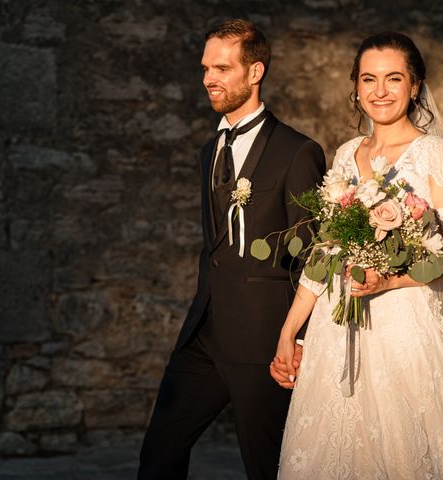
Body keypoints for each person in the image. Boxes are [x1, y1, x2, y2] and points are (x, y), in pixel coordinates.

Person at [273, 31, 443, 479]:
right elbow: (324, 254)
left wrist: (391, 280)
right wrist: (289, 331)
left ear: (415, 85)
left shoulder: (434, 155)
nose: (380, 91)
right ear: (356, 87)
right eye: (368, 79)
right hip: (335, 330)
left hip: (405, 329)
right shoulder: (345, 157)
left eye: (393, 78)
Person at [138, 19, 326, 480]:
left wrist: (299, 338)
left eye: (222, 68)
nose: (209, 78)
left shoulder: (298, 152)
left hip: (263, 339)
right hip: (203, 334)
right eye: (206, 68)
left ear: (255, 71)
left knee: (266, 466)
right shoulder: (209, 150)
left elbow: (313, 252)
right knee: (158, 455)